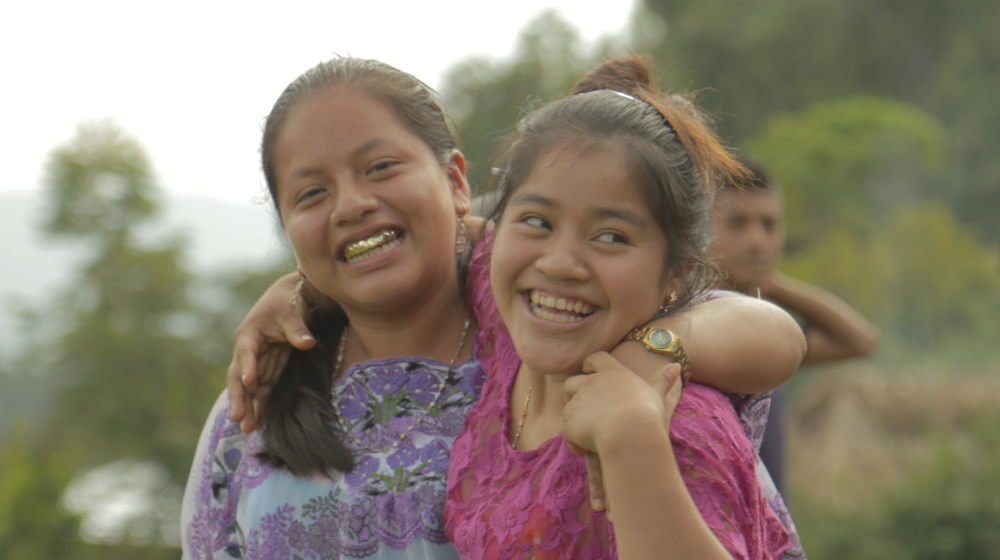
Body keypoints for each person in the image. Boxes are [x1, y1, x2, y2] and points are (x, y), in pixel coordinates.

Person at [183, 56, 805, 560]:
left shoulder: (568, 357)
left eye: (381, 167)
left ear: (456, 182)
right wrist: (302, 285)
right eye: (311, 193)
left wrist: (644, 366)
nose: (350, 204)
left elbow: (768, 331)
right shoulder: (263, 387)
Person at [444, 56, 804, 559]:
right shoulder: (508, 317)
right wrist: (302, 293)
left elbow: (781, 333)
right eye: (537, 221)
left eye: (611, 236)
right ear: (498, 229)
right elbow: (406, 238)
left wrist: (633, 441)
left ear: (675, 276)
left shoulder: (673, 427)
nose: (560, 263)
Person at [712, 160, 880, 494]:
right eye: (738, 223)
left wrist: (771, 284)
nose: (758, 240)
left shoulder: (769, 331)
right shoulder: (682, 323)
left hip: (769, 537)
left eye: (769, 224)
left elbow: (859, 341)